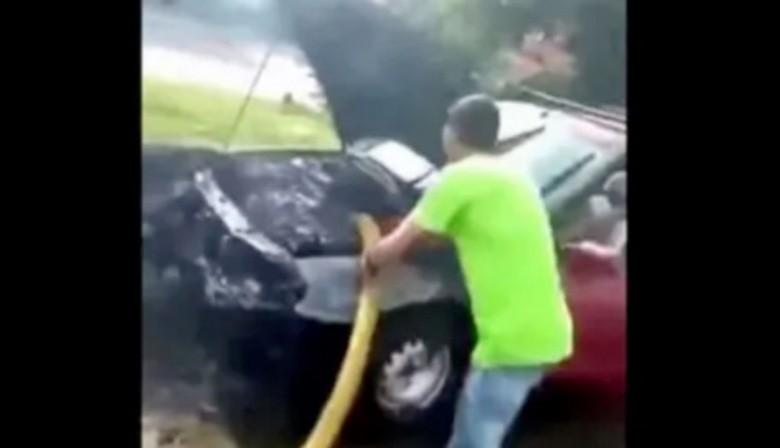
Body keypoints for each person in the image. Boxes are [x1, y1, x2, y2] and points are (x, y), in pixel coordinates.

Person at [364, 94, 573, 448]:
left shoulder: (459, 179)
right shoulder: (513, 174)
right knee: (486, 428)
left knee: (474, 439)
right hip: (547, 332)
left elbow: (388, 251)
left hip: (511, 340)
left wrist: (367, 249)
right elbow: (467, 230)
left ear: (453, 132)